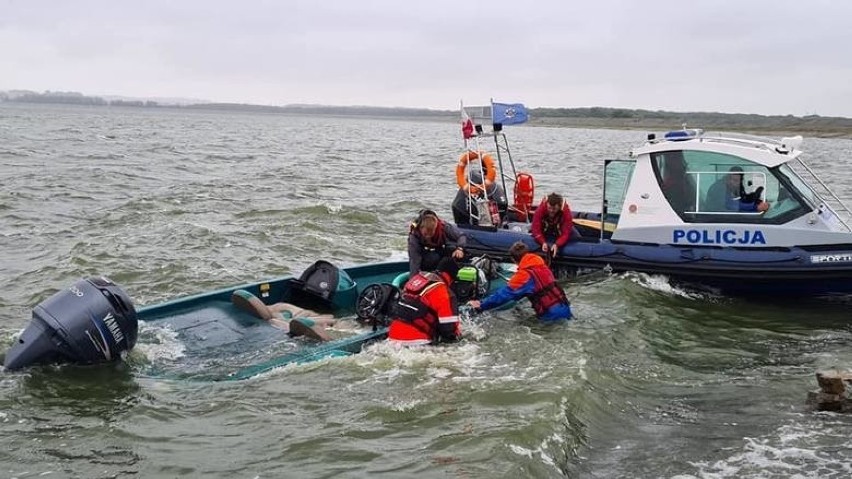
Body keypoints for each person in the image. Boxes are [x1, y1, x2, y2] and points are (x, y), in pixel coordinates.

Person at [468, 241, 572, 322]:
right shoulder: (541, 265)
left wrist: (481, 305)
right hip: (565, 308)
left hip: (550, 316)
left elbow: (504, 295)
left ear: (513, 260)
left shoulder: (524, 275)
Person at [387, 257, 462, 346]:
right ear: (451, 277)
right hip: (418, 342)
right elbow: (449, 331)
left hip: (392, 337)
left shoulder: (416, 279)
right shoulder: (445, 292)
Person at [231, 289, 336, 341]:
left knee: (281, 314)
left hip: (300, 318)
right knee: (332, 321)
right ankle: (288, 324)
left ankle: (271, 314)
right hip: (301, 319)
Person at [408, 209, 467, 275]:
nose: (428, 236)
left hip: (442, 249)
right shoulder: (414, 235)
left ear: (436, 228)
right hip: (427, 255)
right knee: (431, 258)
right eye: (425, 234)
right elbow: (414, 259)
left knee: (455, 253)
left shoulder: (444, 226)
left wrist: (459, 249)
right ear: (420, 228)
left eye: (431, 234)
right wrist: (413, 278)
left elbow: (461, 236)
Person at [705, 166, 770, 213]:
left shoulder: (734, 186)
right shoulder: (719, 188)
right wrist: (756, 207)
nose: (733, 182)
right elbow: (731, 204)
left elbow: (742, 198)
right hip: (716, 217)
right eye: (732, 179)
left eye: (737, 181)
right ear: (728, 178)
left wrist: (756, 199)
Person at [531, 192, 574, 259]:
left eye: (554, 209)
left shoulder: (566, 213)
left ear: (559, 207)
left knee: (574, 235)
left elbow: (566, 233)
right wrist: (543, 242)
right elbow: (535, 229)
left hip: (559, 228)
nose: (551, 211)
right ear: (546, 205)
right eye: (549, 208)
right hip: (546, 228)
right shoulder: (540, 210)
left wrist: (557, 244)